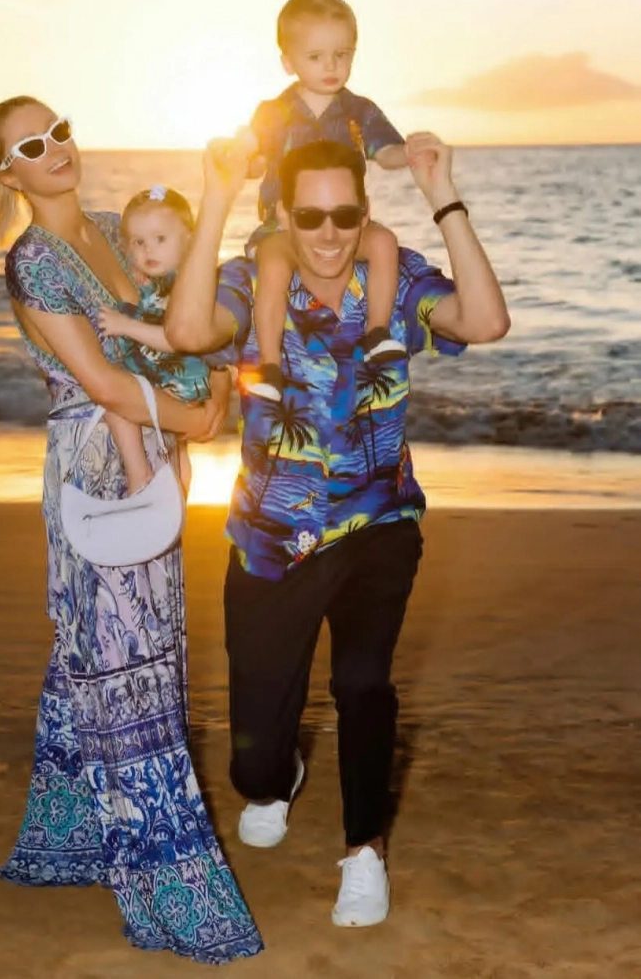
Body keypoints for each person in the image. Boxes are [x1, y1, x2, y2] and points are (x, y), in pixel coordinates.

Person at [164, 133, 510, 927]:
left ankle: (364, 850)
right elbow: (186, 332)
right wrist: (215, 197)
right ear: (284, 214)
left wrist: (441, 192)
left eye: (345, 215)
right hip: (270, 536)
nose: (328, 232)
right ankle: (277, 774)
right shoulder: (251, 282)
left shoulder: (397, 277)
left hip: (378, 522)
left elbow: (487, 319)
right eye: (310, 215)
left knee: (363, 684)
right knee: (254, 753)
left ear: (364, 212)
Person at [0, 96, 262, 964]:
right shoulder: (33, 259)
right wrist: (195, 420)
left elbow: (169, 328)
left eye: (60, 130)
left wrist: (209, 391)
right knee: (127, 668)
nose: (56, 147)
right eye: (32, 144)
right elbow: (100, 379)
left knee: (114, 649)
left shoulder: (108, 230)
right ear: (8, 171)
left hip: (153, 455)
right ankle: (169, 888)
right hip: (96, 471)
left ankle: (69, 839)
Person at [245, 0, 411, 401]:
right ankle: (269, 364)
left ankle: (377, 331)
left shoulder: (360, 111)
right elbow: (254, 160)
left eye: (342, 54)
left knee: (384, 243)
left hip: (345, 225)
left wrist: (410, 154)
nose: (331, 66)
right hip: (284, 226)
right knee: (273, 266)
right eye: (316, 56)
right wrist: (239, 160)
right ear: (289, 62)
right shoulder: (273, 113)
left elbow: (386, 150)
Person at [96, 184, 210, 495]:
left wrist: (125, 325)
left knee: (114, 402)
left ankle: (139, 472)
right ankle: (178, 493)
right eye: (139, 242)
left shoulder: (181, 288)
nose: (149, 250)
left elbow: (177, 340)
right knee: (177, 448)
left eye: (160, 239)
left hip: (174, 376)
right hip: (178, 378)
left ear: (189, 240)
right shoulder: (171, 282)